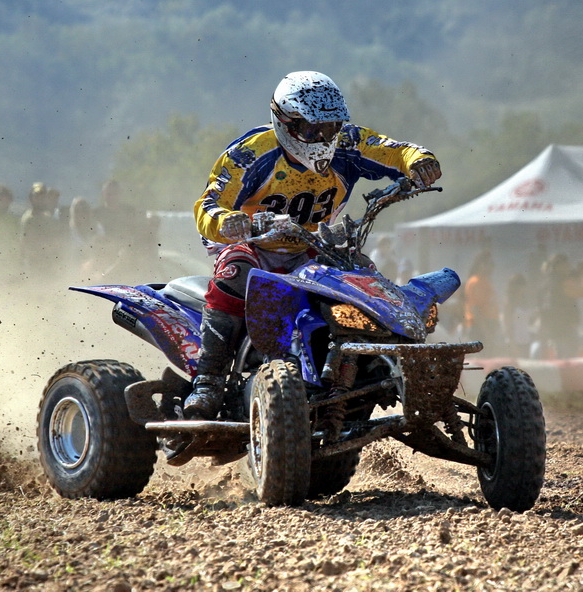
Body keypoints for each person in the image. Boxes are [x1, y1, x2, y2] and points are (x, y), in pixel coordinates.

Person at [186, 71, 442, 420]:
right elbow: (209, 203)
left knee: (362, 273)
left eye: (331, 127)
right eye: (312, 129)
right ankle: (209, 380)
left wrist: (419, 160)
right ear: (285, 123)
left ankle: (378, 365)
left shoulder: (348, 143)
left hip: (311, 245)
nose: (323, 138)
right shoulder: (249, 155)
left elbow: (394, 151)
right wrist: (227, 221)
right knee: (236, 273)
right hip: (249, 243)